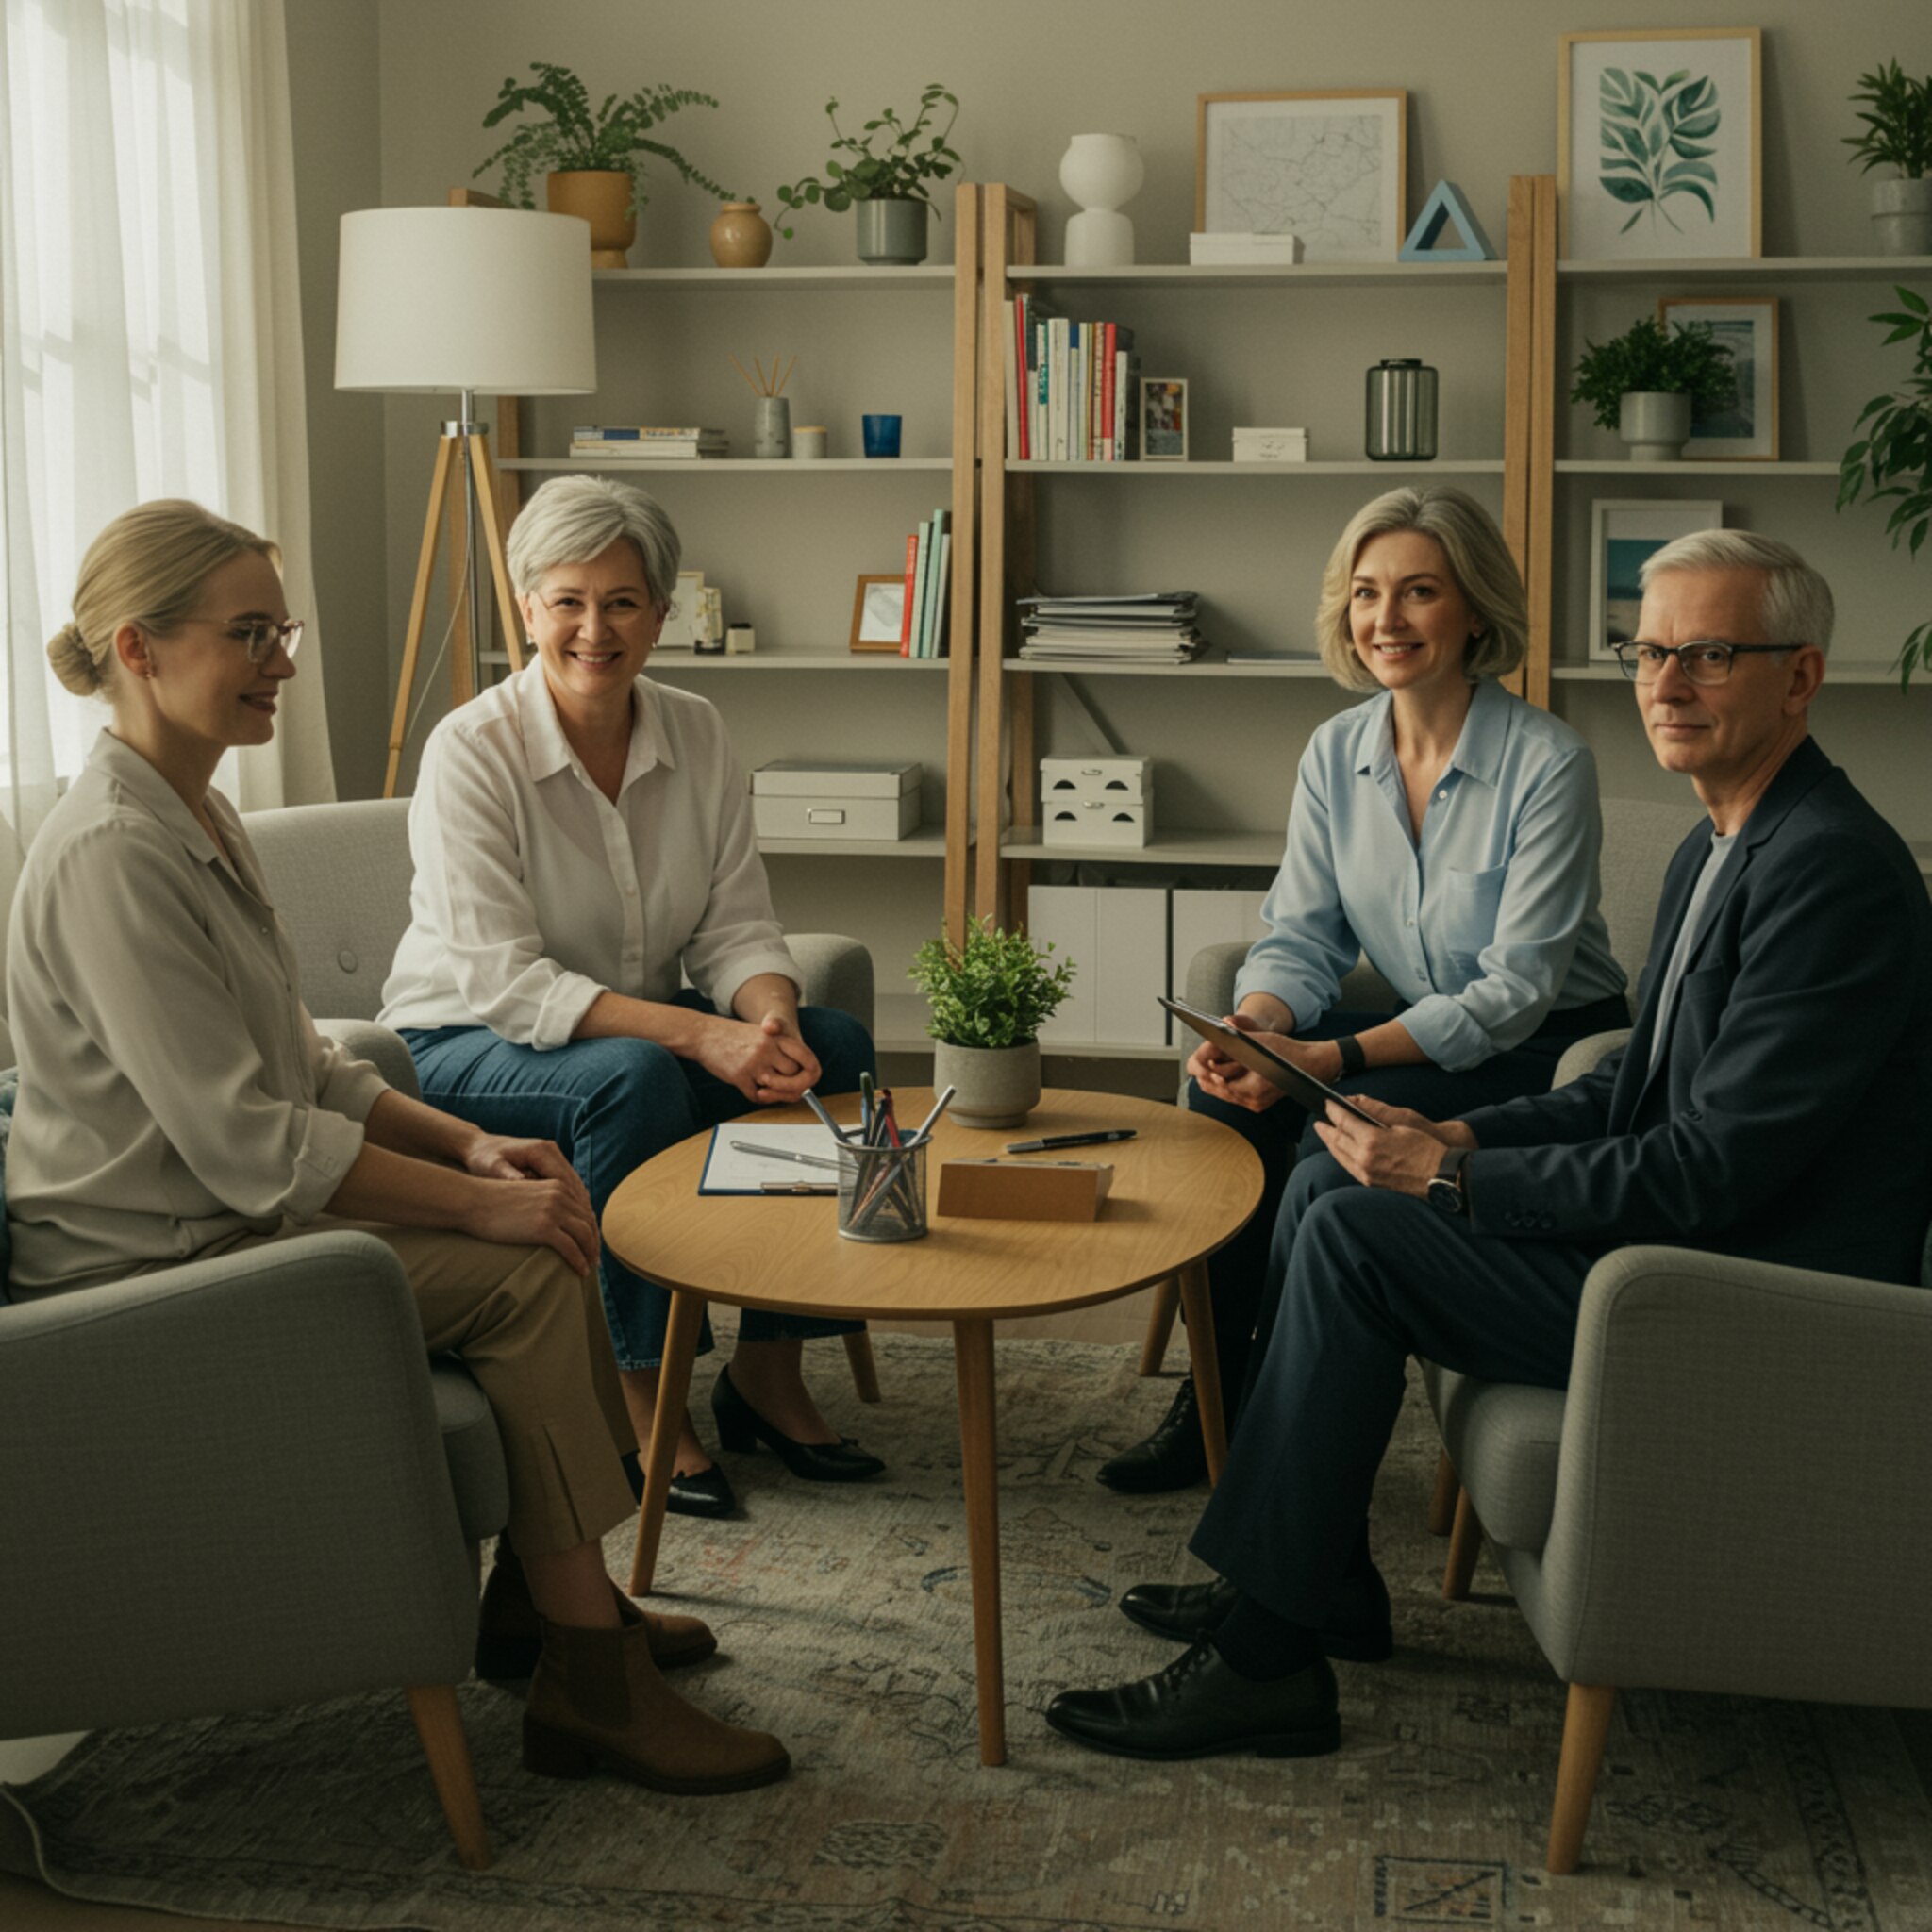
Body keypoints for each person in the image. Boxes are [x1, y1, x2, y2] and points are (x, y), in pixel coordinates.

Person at [1045, 529, 1932, 1761]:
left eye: (1712, 655)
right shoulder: (1726, 840)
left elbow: (1708, 1172)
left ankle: (1266, 1661)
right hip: (1690, 1242)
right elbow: (1634, 1093)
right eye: (1652, 651)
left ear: (1801, 677)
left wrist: (1453, 1172)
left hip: (1742, 1296)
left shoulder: (1831, 875)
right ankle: (1310, 1586)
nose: (1668, 684)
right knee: (1328, 1182)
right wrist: (1445, 1127)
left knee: (1354, 1230)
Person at [5, 499, 789, 1795]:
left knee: (545, 1215)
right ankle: (592, 1681)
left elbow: (312, 1062)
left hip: (226, 1216)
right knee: (534, 1262)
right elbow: (249, 1144)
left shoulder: (196, 814)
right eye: (250, 635)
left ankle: (546, 1611)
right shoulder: (112, 855)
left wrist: (475, 1149)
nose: (285, 664)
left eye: (283, 630)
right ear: (138, 649)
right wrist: (482, 1211)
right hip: (145, 1266)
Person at [1101, 486, 1628, 1495]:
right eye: (1365, 593)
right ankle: (1211, 1395)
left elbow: (1513, 991)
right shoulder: (1335, 753)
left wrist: (1331, 1057)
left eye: (1417, 591)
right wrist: (1257, 1027)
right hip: (1412, 1030)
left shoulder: (1547, 763)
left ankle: (1275, 1418)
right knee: (1218, 1095)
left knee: (1321, 1141)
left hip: (1544, 1048)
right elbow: (1299, 932)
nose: (1384, 620)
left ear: (1473, 608)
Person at [379, 475, 881, 1522]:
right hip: (457, 1041)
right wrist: (705, 1031)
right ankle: (642, 1397)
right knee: (632, 1079)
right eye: (566, 599)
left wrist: (767, 1011)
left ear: (662, 611)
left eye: (621, 601)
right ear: (527, 608)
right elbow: (506, 982)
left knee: (831, 1046)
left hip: (628, 1038)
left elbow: (737, 921)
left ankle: (767, 1373)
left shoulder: (697, 733)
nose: (593, 628)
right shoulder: (471, 750)